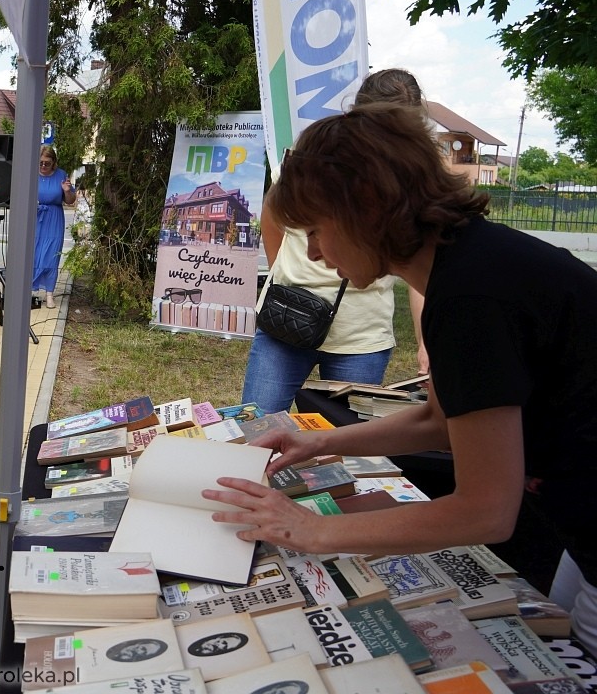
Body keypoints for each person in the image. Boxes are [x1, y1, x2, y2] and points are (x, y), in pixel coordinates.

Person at [205, 100, 597, 651]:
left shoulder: (471, 297)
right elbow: (441, 421)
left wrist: (315, 529)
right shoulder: (466, 265)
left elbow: (486, 510)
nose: (313, 254)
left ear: (367, 206)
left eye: (317, 230)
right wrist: (316, 442)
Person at [241, 69, 428, 414]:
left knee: (344, 448)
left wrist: (424, 341)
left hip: (361, 333)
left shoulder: (413, 177)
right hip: (288, 315)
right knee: (256, 427)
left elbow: (420, 266)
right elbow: (272, 214)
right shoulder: (316, 151)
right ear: (358, 113)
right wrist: (284, 272)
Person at [32, 145, 75, 308]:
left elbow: (70, 200)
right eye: (41, 163)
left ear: (54, 163)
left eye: (47, 163)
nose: (43, 166)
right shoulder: (31, 173)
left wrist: (67, 190)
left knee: (51, 255)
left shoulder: (61, 175)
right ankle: (29, 289)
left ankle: (49, 293)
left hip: (54, 218)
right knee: (33, 253)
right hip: (34, 217)